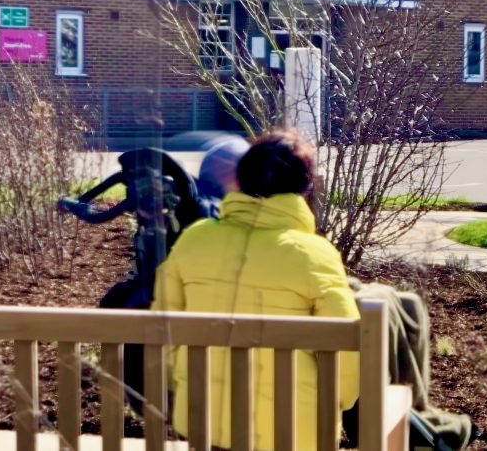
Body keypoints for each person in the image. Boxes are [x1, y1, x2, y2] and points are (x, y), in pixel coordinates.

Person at [153, 129, 360, 451]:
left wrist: (180, 381)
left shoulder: (194, 239)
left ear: (242, 179)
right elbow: (346, 356)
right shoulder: (315, 255)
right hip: (292, 432)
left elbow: (163, 329)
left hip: (203, 421)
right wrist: (338, 403)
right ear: (304, 187)